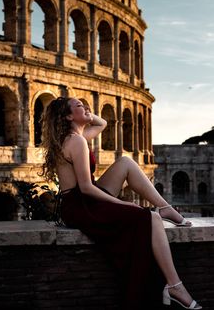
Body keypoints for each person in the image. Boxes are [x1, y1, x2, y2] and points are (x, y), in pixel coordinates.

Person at [40, 96, 202, 310]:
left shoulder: (75, 136)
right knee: (149, 217)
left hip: (81, 200)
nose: (86, 107)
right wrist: (124, 205)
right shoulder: (76, 141)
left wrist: (84, 111)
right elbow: (87, 188)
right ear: (68, 116)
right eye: (79, 106)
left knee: (126, 162)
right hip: (81, 205)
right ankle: (174, 285)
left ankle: (166, 209)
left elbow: (103, 123)